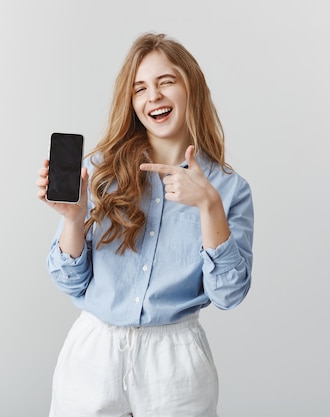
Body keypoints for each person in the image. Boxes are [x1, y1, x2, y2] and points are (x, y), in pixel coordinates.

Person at [36, 32, 254, 417]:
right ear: (132, 102)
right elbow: (70, 281)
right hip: (93, 354)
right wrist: (73, 219)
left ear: (192, 88)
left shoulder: (227, 189)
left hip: (175, 361)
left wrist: (209, 207)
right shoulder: (99, 171)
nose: (152, 96)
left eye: (165, 82)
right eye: (140, 88)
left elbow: (228, 295)